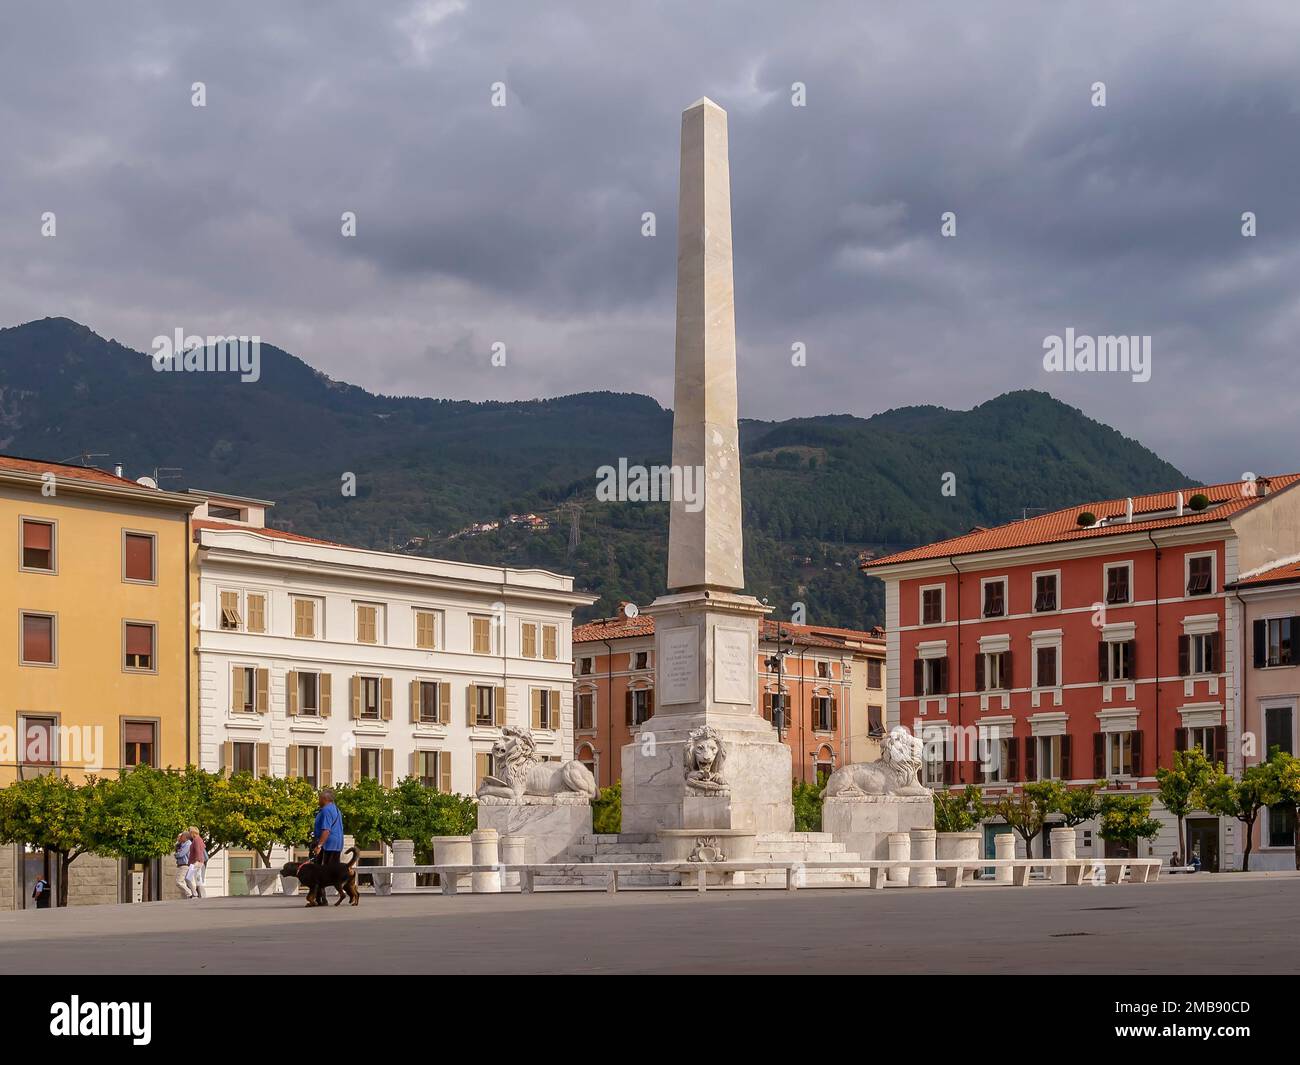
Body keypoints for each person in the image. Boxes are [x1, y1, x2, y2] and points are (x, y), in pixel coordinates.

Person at [311, 788, 345, 871]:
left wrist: (319, 846)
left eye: (319, 798)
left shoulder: (326, 810)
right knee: (333, 870)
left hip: (327, 846)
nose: (318, 801)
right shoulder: (336, 809)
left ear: (324, 799)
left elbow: (326, 830)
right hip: (337, 845)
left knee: (324, 871)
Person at [187, 827, 207, 898]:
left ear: (192, 832)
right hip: (198, 862)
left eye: (189, 832)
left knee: (188, 878)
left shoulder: (196, 840)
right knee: (198, 879)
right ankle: (202, 895)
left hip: (196, 862)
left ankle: (195, 893)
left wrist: (198, 861)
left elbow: (198, 851)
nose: (189, 834)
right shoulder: (199, 839)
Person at [174, 830, 194, 899]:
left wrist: (176, 854)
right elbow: (178, 851)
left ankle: (190, 893)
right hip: (182, 864)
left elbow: (181, 854)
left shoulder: (188, 844)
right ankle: (187, 896)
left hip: (184, 865)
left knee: (178, 881)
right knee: (183, 881)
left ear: (185, 837)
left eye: (181, 836)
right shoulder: (183, 844)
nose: (180, 837)